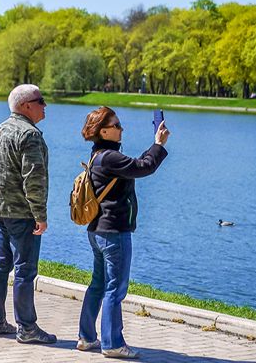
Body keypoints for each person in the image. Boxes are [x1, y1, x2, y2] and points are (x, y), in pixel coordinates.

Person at [76, 106, 170, 359]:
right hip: (114, 233)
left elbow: (134, 165)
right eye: (116, 125)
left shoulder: (100, 155)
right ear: (103, 130)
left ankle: (86, 338)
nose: (121, 129)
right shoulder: (110, 157)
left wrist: (153, 146)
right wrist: (158, 144)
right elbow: (144, 167)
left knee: (98, 285)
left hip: (98, 231)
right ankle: (112, 343)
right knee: (115, 290)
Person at [0, 84, 56, 344]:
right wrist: (40, 215)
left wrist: (1, 200)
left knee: (0, 265)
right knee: (25, 270)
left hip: (0, 210)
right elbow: (33, 180)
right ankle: (27, 328)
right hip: (23, 214)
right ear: (26, 105)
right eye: (41, 101)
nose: (45, 105)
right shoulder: (30, 135)